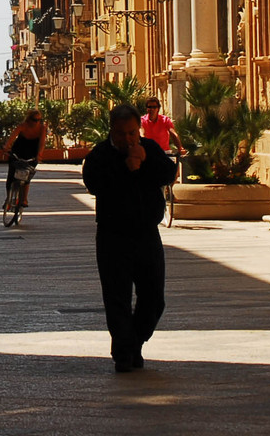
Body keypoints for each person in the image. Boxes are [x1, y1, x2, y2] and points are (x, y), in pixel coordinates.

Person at [82, 103, 177, 373]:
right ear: (112, 130)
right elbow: (95, 185)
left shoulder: (151, 149)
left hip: (147, 234)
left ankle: (133, 343)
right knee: (117, 298)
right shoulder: (99, 156)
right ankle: (125, 354)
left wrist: (144, 160)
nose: (128, 139)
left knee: (154, 298)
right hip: (113, 236)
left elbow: (168, 174)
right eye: (122, 133)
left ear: (139, 129)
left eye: (133, 133)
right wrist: (127, 167)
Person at [6, 108, 47, 207]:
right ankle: (8, 199)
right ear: (29, 119)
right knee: (11, 176)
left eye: (39, 120)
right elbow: (12, 137)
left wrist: (39, 155)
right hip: (18, 151)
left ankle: (24, 199)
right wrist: (6, 147)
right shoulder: (23, 126)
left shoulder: (42, 129)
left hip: (32, 154)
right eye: (34, 120)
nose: (36, 122)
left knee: (27, 177)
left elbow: (42, 143)